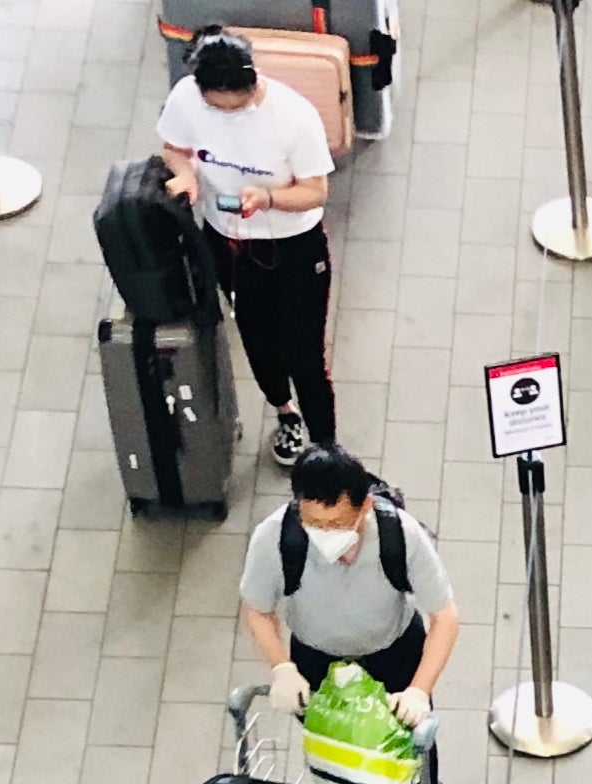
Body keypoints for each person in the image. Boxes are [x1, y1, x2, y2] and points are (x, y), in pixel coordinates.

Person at [160, 29, 337, 466]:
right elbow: (174, 147)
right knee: (257, 339)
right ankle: (285, 413)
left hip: (294, 245)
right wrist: (185, 176)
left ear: (252, 82)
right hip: (229, 241)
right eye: (215, 107)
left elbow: (315, 191)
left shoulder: (294, 116)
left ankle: (327, 447)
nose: (225, 114)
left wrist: (267, 198)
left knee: (304, 352)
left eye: (235, 106)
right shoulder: (187, 97)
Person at [241, 447, 460, 726]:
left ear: (365, 507)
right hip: (315, 660)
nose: (324, 533)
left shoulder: (400, 534)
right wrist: (282, 667)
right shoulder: (273, 536)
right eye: (313, 523)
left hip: (394, 656)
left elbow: (445, 616)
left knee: (405, 749)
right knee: (331, 749)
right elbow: (257, 609)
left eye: (337, 523)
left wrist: (418, 690)